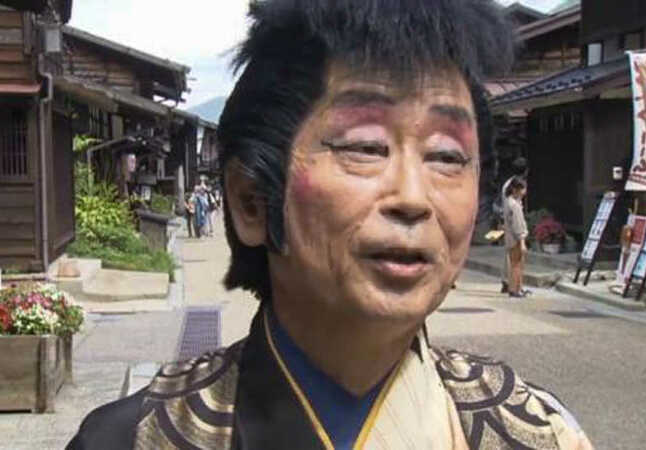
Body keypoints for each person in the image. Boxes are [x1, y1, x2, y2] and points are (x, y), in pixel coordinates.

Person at [68, 1, 592, 448]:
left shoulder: (537, 434)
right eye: (365, 147)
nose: (413, 198)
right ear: (251, 201)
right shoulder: (131, 440)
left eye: (447, 156)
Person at [497, 156, 528, 293]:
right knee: (515, 261)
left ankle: (515, 286)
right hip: (512, 227)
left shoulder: (508, 184)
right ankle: (513, 286)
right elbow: (513, 214)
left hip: (509, 224)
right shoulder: (513, 197)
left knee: (513, 259)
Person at [504, 176, 530, 298]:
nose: (524, 192)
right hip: (515, 238)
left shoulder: (509, 201)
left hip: (510, 237)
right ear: (516, 189)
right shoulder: (514, 205)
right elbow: (518, 225)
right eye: (523, 189)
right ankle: (514, 289)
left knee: (516, 263)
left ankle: (517, 288)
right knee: (517, 264)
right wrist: (522, 241)